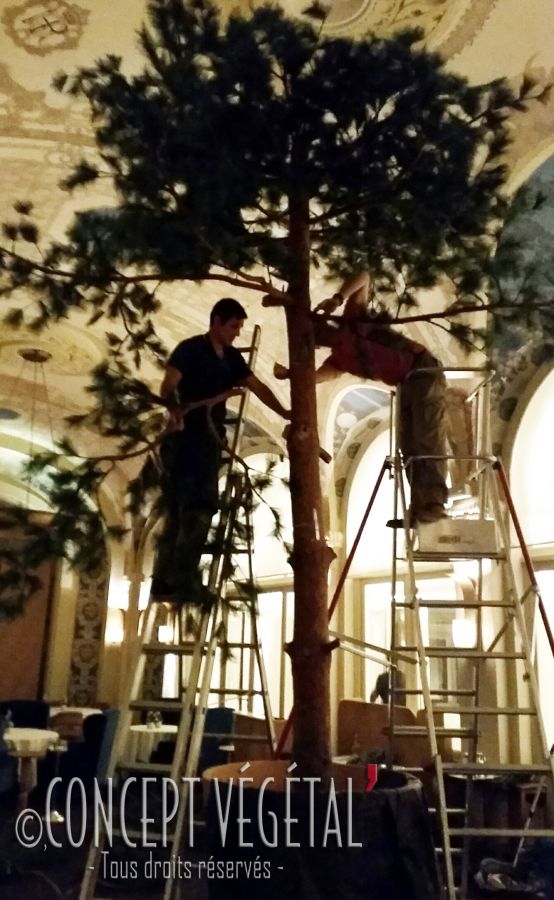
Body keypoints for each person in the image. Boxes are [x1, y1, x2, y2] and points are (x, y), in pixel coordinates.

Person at [276, 271, 448, 525]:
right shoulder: (339, 359)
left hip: (423, 369)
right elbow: (314, 377)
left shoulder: (352, 321)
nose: (321, 337)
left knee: (425, 436)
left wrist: (337, 298)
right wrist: (292, 374)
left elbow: (365, 275)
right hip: (407, 381)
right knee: (408, 442)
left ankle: (434, 504)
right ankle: (421, 508)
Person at [151, 297, 290, 604]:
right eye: (233, 326)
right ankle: (175, 579)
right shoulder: (190, 349)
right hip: (185, 437)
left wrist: (284, 411)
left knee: (191, 510)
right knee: (190, 509)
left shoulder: (230, 358)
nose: (237, 333)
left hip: (209, 439)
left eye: (240, 326)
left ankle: (170, 579)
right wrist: (174, 413)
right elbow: (168, 385)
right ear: (216, 321)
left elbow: (256, 385)